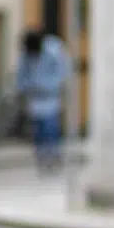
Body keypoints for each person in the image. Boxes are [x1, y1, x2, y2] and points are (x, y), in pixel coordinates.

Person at [15, 30, 70, 172]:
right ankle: (42, 158)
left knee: (50, 129)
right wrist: (23, 89)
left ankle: (53, 156)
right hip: (35, 97)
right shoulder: (27, 54)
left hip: (51, 96)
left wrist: (53, 86)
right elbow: (21, 75)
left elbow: (63, 72)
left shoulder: (53, 50)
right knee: (38, 131)